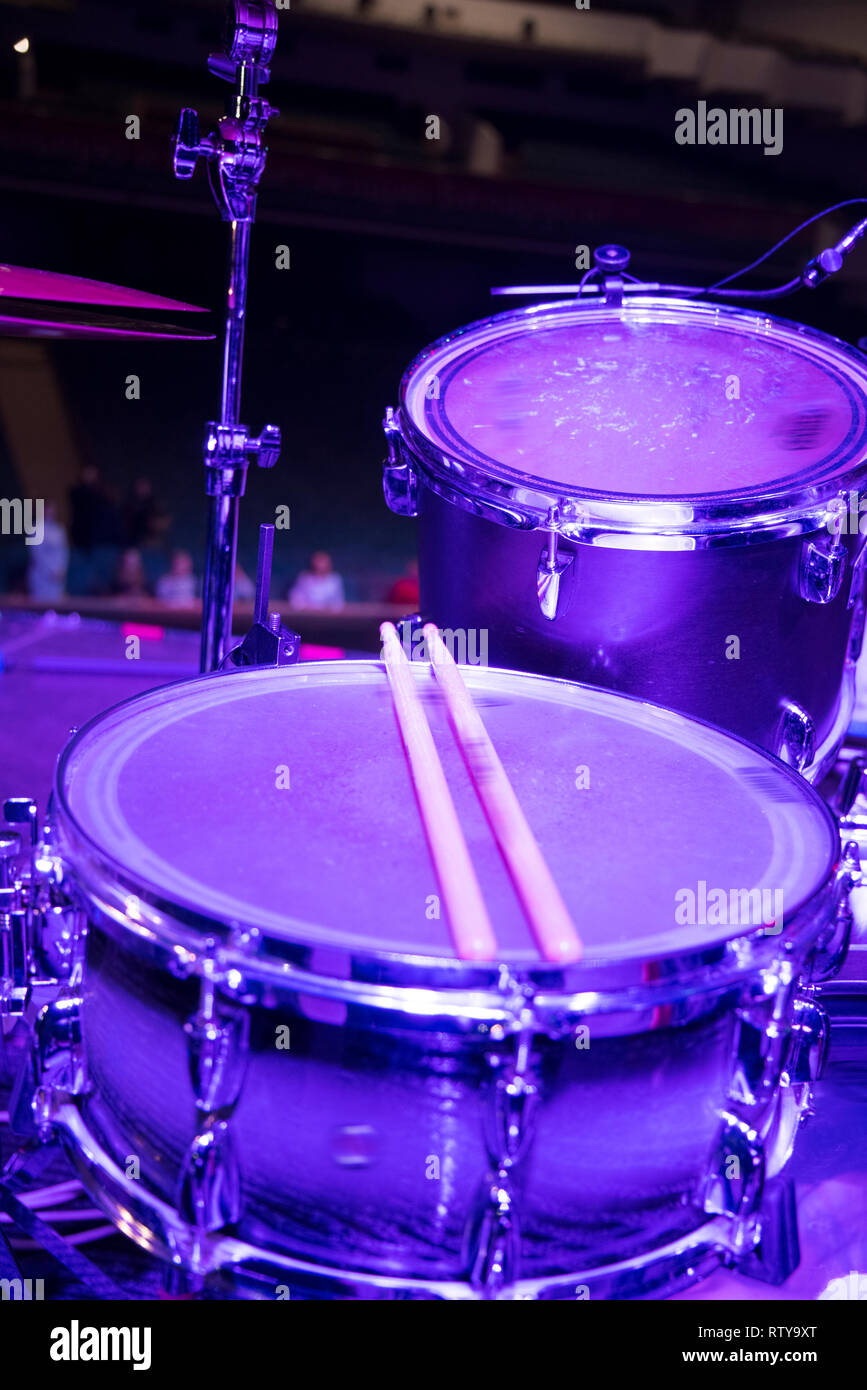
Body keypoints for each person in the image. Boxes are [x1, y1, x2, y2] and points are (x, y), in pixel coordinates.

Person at [67, 464, 122, 595]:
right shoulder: (77, 493)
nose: (89, 476)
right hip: (85, 545)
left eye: (92, 473)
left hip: (106, 544)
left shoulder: (104, 494)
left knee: (107, 582)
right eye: (87, 473)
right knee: (88, 583)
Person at [26, 501, 69, 601]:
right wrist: (50, 571)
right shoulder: (35, 528)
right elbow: (37, 554)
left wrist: (61, 570)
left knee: (57, 607)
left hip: (58, 577)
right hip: (42, 576)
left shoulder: (59, 529)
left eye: (53, 509)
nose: (51, 512)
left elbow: (64, 552)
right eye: (48, 509)